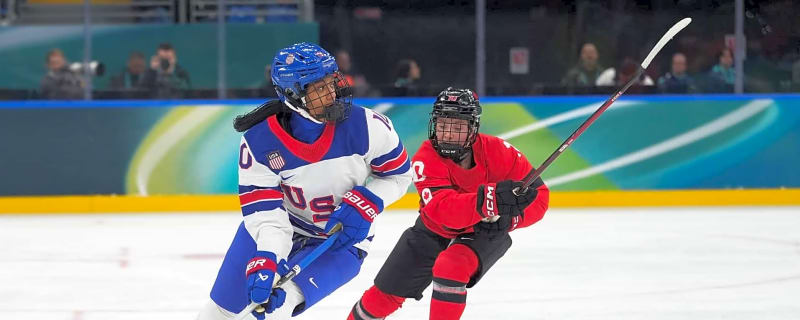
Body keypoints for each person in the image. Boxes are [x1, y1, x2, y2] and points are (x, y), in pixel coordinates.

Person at [197, 42, 413, 320]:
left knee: (274, 312)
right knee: (219, 313)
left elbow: (399, 174)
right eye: (319, 88)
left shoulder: (368, 127)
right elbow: (266, 214)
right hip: (280, 227)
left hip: (340, 240)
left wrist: (368, 202)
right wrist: (268, 258)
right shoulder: (259, 142)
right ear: (293, 94)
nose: (332, 94)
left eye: (331, 82)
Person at [346, 87, 550, 320]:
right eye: (443, 126)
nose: (448, 134)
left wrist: (509, 219)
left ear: (473, 127)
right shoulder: (425, 157)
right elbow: (443, 211)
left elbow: (540, 197)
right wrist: (490, 201)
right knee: (380, 298)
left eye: (457, 127)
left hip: (482, 232)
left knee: (451, 265)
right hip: (432, 230)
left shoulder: (499, 152)